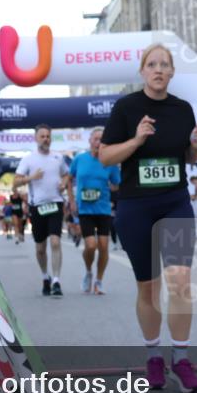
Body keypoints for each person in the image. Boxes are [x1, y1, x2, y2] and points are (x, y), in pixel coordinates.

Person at [99, 43, 197, 393]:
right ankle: (153, 357)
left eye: (165, 64)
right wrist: (137, 138)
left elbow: (188, 159)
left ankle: (182, 359)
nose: (158, 69)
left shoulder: (182, 109)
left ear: (172, 72)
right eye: (152, 64)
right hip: (136, 206)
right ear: (143, 71)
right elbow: (105, 157)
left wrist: (195, 145)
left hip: (174, 202)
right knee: (149, 286)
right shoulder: (126, 108)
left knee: (180, 282)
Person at [14, 124, 70, 298]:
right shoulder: (28, 159)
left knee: (55, 241)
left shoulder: (58, 157)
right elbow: (15, 183)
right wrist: (31, 177)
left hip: (55, 204)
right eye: (42, 136)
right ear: (36, 138)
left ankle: (56, 281)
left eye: (48, 136)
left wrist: (63, 183)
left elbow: (67, 174)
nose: (46, 139)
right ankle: (45, 276)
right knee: (40, 247)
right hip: (37, 206)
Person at [68, 127, 121, 296]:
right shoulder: (80, 159)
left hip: (104, 208)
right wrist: (71, 201)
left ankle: (99, 280)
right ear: (90, 140)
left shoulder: (110, 162)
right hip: (84, 208)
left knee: (104, 246)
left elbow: (116, 184)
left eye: (102, 139)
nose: (99, 142)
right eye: (96, 138)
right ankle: (88, 271)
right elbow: (69, 179)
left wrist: (116, 180)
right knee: (91, 246)